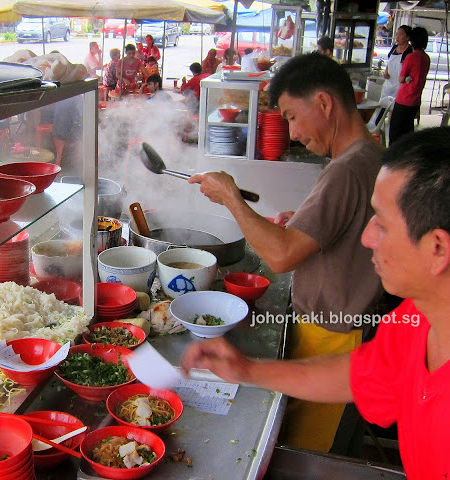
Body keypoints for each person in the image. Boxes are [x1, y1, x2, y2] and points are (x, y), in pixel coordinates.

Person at [182, 126, 450, 480]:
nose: (367, 238)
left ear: (438, 249)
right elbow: (360, 375)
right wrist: (248, 370)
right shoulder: (418, 318)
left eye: (382, 224)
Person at [187, 53, 384, 452]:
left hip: (333, 338)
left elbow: (281, 257)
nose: (291, 133)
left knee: (306, 451)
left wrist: (230, 197)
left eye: (292, 116)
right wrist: (307, 223)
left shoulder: (347, 169)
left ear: (325, 103)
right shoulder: (369, 155)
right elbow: (347, 231)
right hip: (338, 332)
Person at [389, 26, 430, 144]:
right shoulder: (426, 58)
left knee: (395, 134)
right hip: (415, 100)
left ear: (411, 40)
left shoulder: (411, 57)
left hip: (403, 100)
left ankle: (392, 160)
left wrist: (406, 78)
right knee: (408, 134)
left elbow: (401, 79)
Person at [380, 25, 413, 101]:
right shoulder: (394, 48)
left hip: (400, 87)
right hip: (388, 85)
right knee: (383, 107)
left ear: (407, 37)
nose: (397, 37)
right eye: (396, 34)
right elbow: (389, 62)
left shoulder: (409, 51)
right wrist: (386, 72)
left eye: (400, 34)